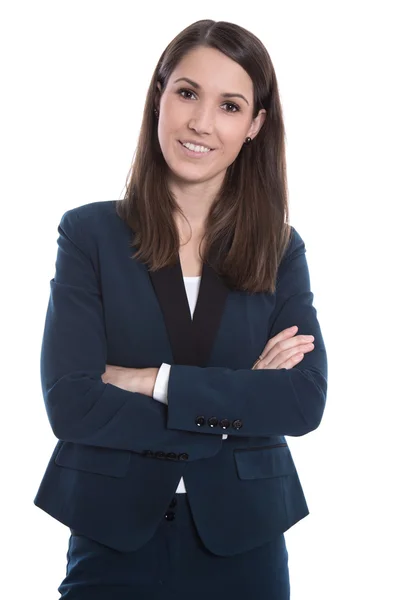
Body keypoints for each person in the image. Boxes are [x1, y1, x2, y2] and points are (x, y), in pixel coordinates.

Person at [34, 18, 328, 600]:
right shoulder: (90, 233)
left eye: (230, 105)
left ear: (254, 126)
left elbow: (301, 401)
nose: (200, 122)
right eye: (188, 93)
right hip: (112, 532)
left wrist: (153, 381)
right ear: (159, 98)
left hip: (246, 535)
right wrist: (239, 402)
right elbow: (70, 403)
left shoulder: (278, 247)